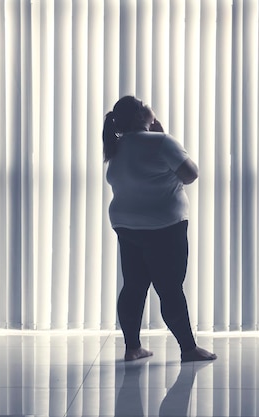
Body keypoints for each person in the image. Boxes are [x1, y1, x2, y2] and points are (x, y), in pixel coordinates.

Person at [103, 95, 217, 363]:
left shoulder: (116, 146)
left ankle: (133, 348)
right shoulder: (162, 142)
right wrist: (163, 136)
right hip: (164, 226)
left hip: (126, 226)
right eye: (145, 104)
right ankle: (188, 349)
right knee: (169, 288)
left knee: (133, 286)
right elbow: (190, 174)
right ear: (143, 115)